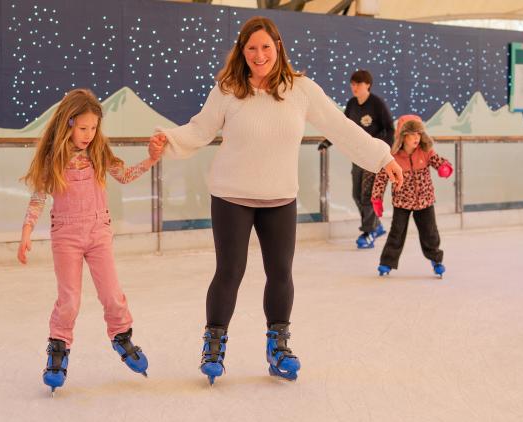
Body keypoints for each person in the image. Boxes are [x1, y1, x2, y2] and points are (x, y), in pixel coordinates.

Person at [150, 16, 404, 384]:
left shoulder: (300, 89)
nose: (259, 54)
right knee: (230, 272)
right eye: (251, 48)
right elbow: (200, 130)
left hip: (280, 197)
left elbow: (340, 127)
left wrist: (384, 158)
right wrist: (168, 140)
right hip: (231, 196)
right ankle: (214, 344)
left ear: (278, 47)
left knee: (281, 273)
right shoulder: (228, 89)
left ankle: (278, 346)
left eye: (265, 47)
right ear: (242, 51)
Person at [17, 88, 166, 394]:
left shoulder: (98, 153)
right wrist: (27, 231)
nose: (89, 134)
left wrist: (150, 159)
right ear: (68, 123)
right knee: (69, 300)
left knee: (112, 294)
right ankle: (58, 351)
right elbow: (39, 197)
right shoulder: (53, 157)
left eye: (94, 128)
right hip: (66, 236)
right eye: (83, 128)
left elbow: (124, 176)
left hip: (99, 232)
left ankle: (122, 337)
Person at [370, 118, 452, 278]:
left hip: (425, 201)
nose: (416, 138)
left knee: (430, 233)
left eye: (419, 134)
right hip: (402, 202)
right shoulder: (393, 157)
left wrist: (444, 167)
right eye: (412, 134)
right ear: (403, 137)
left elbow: (438, 161)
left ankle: (436, 261)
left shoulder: (426, 151)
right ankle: (386, 262)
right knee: (397, 233)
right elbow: (381, 178)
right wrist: (377, 199)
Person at [344, 69, 395, 249]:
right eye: (352, 83)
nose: (354, 87)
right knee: (356, 194)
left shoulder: (377, 104)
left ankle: (369, 232)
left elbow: (390, 128)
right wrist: (327, 142)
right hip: (358, 157)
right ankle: (376, 226)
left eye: (358, 83)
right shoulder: (351, 104)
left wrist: (383, 152)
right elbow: (342, 127)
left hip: (374, 158)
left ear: (368, 85)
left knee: (367, 195)